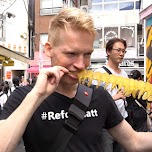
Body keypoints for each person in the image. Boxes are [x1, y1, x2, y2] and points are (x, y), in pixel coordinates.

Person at [1, 7, 152, 152]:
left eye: (87, 54)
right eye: (71, 54)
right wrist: (37, 95)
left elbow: (134, 141)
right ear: (49, 49)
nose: (81, 65)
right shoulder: (23, 96)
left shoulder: (99, 96)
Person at [94, 38, 128, 152]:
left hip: (122, 122)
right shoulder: (99, 73)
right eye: (118, 50)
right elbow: (95, 100)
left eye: (124, 51)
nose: (121, 54)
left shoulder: (124, 73)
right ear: (108, 51)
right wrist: (114, 98)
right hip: (106, 125)